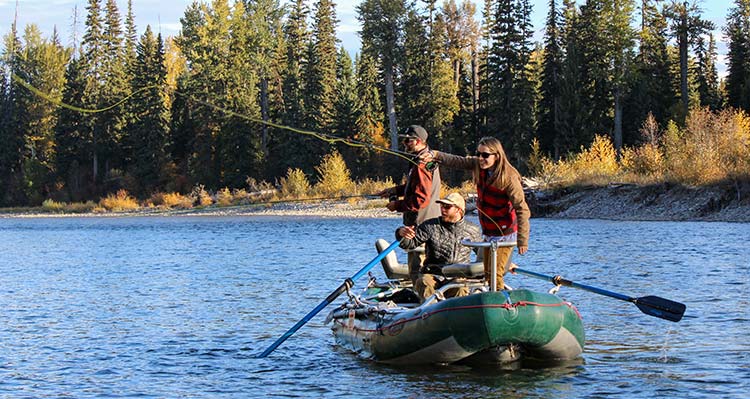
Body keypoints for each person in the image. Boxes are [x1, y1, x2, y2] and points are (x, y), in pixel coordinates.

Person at [421, 137, 530, 290]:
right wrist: (435, 155)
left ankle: (499, 304)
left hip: (506, 233)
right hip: (489, 231)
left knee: (495, 273)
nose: (481, 158)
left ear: (497, 156)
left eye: (485, 155)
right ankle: (489, 300)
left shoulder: (509, 177)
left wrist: (522, 240)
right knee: (486, 273)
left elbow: (522, 209)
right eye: (478, 154)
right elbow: (456, 161)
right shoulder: (478, 165)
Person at [377, 125, 441, 282]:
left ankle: (425, 302)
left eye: (407, 141)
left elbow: (420, 199)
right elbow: (414, 187)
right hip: (427, 222)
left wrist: (397, 206)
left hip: (420, 225)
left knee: (417, 272)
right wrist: (393, 191)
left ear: (418, 141)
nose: (404, 144)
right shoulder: (424, 159)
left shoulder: (421, 165)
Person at [396, 192, 481, 299]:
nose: (443, 209)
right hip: (433, 273)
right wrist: (401, 234)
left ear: (459, 210)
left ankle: (457, 312)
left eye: (447, 207)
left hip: (459, 275)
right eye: (441, 206)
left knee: (460, 288)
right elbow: (409, 244)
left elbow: (483, 254)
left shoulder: (473, 230)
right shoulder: (430, 226)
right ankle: (428, 310)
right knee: (424, 282)